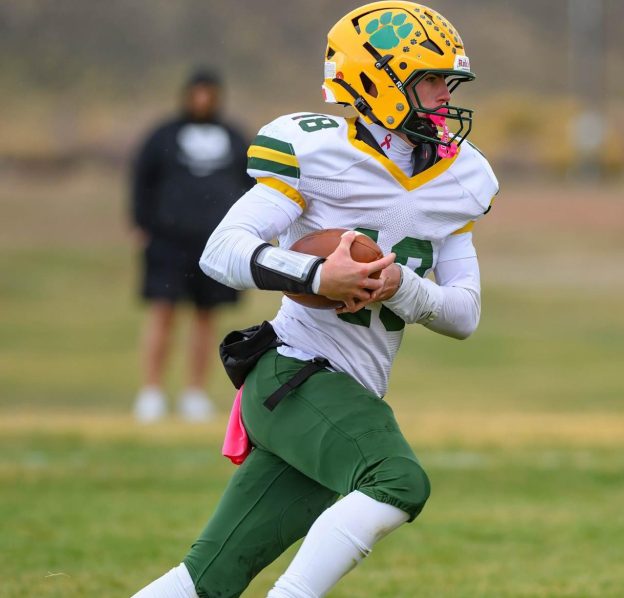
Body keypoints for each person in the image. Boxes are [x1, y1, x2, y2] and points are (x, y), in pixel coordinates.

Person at [132, 2, 498, 597]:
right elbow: (221, 249)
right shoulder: (316, 149)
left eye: (445, 82)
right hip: (294, 372)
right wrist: (313, 277)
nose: (442, 97)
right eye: (430, 80)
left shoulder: (460, 177)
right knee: (397, 480)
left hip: (345, 391)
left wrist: (404, 287)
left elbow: (465, 315)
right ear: (379, 80)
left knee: (207, 581)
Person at [131, 68, 252, 423]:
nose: (202, 100)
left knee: (206, 317)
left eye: (209, 93)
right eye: (197, 93)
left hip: (215, 242)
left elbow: (250, 185)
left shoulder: (233, 137)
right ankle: (151, 391)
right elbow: (142, 180)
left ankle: (195, 393)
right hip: (169, 241)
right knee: (163, 313)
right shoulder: (163, 135)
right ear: (187, 95)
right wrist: (142, 224)